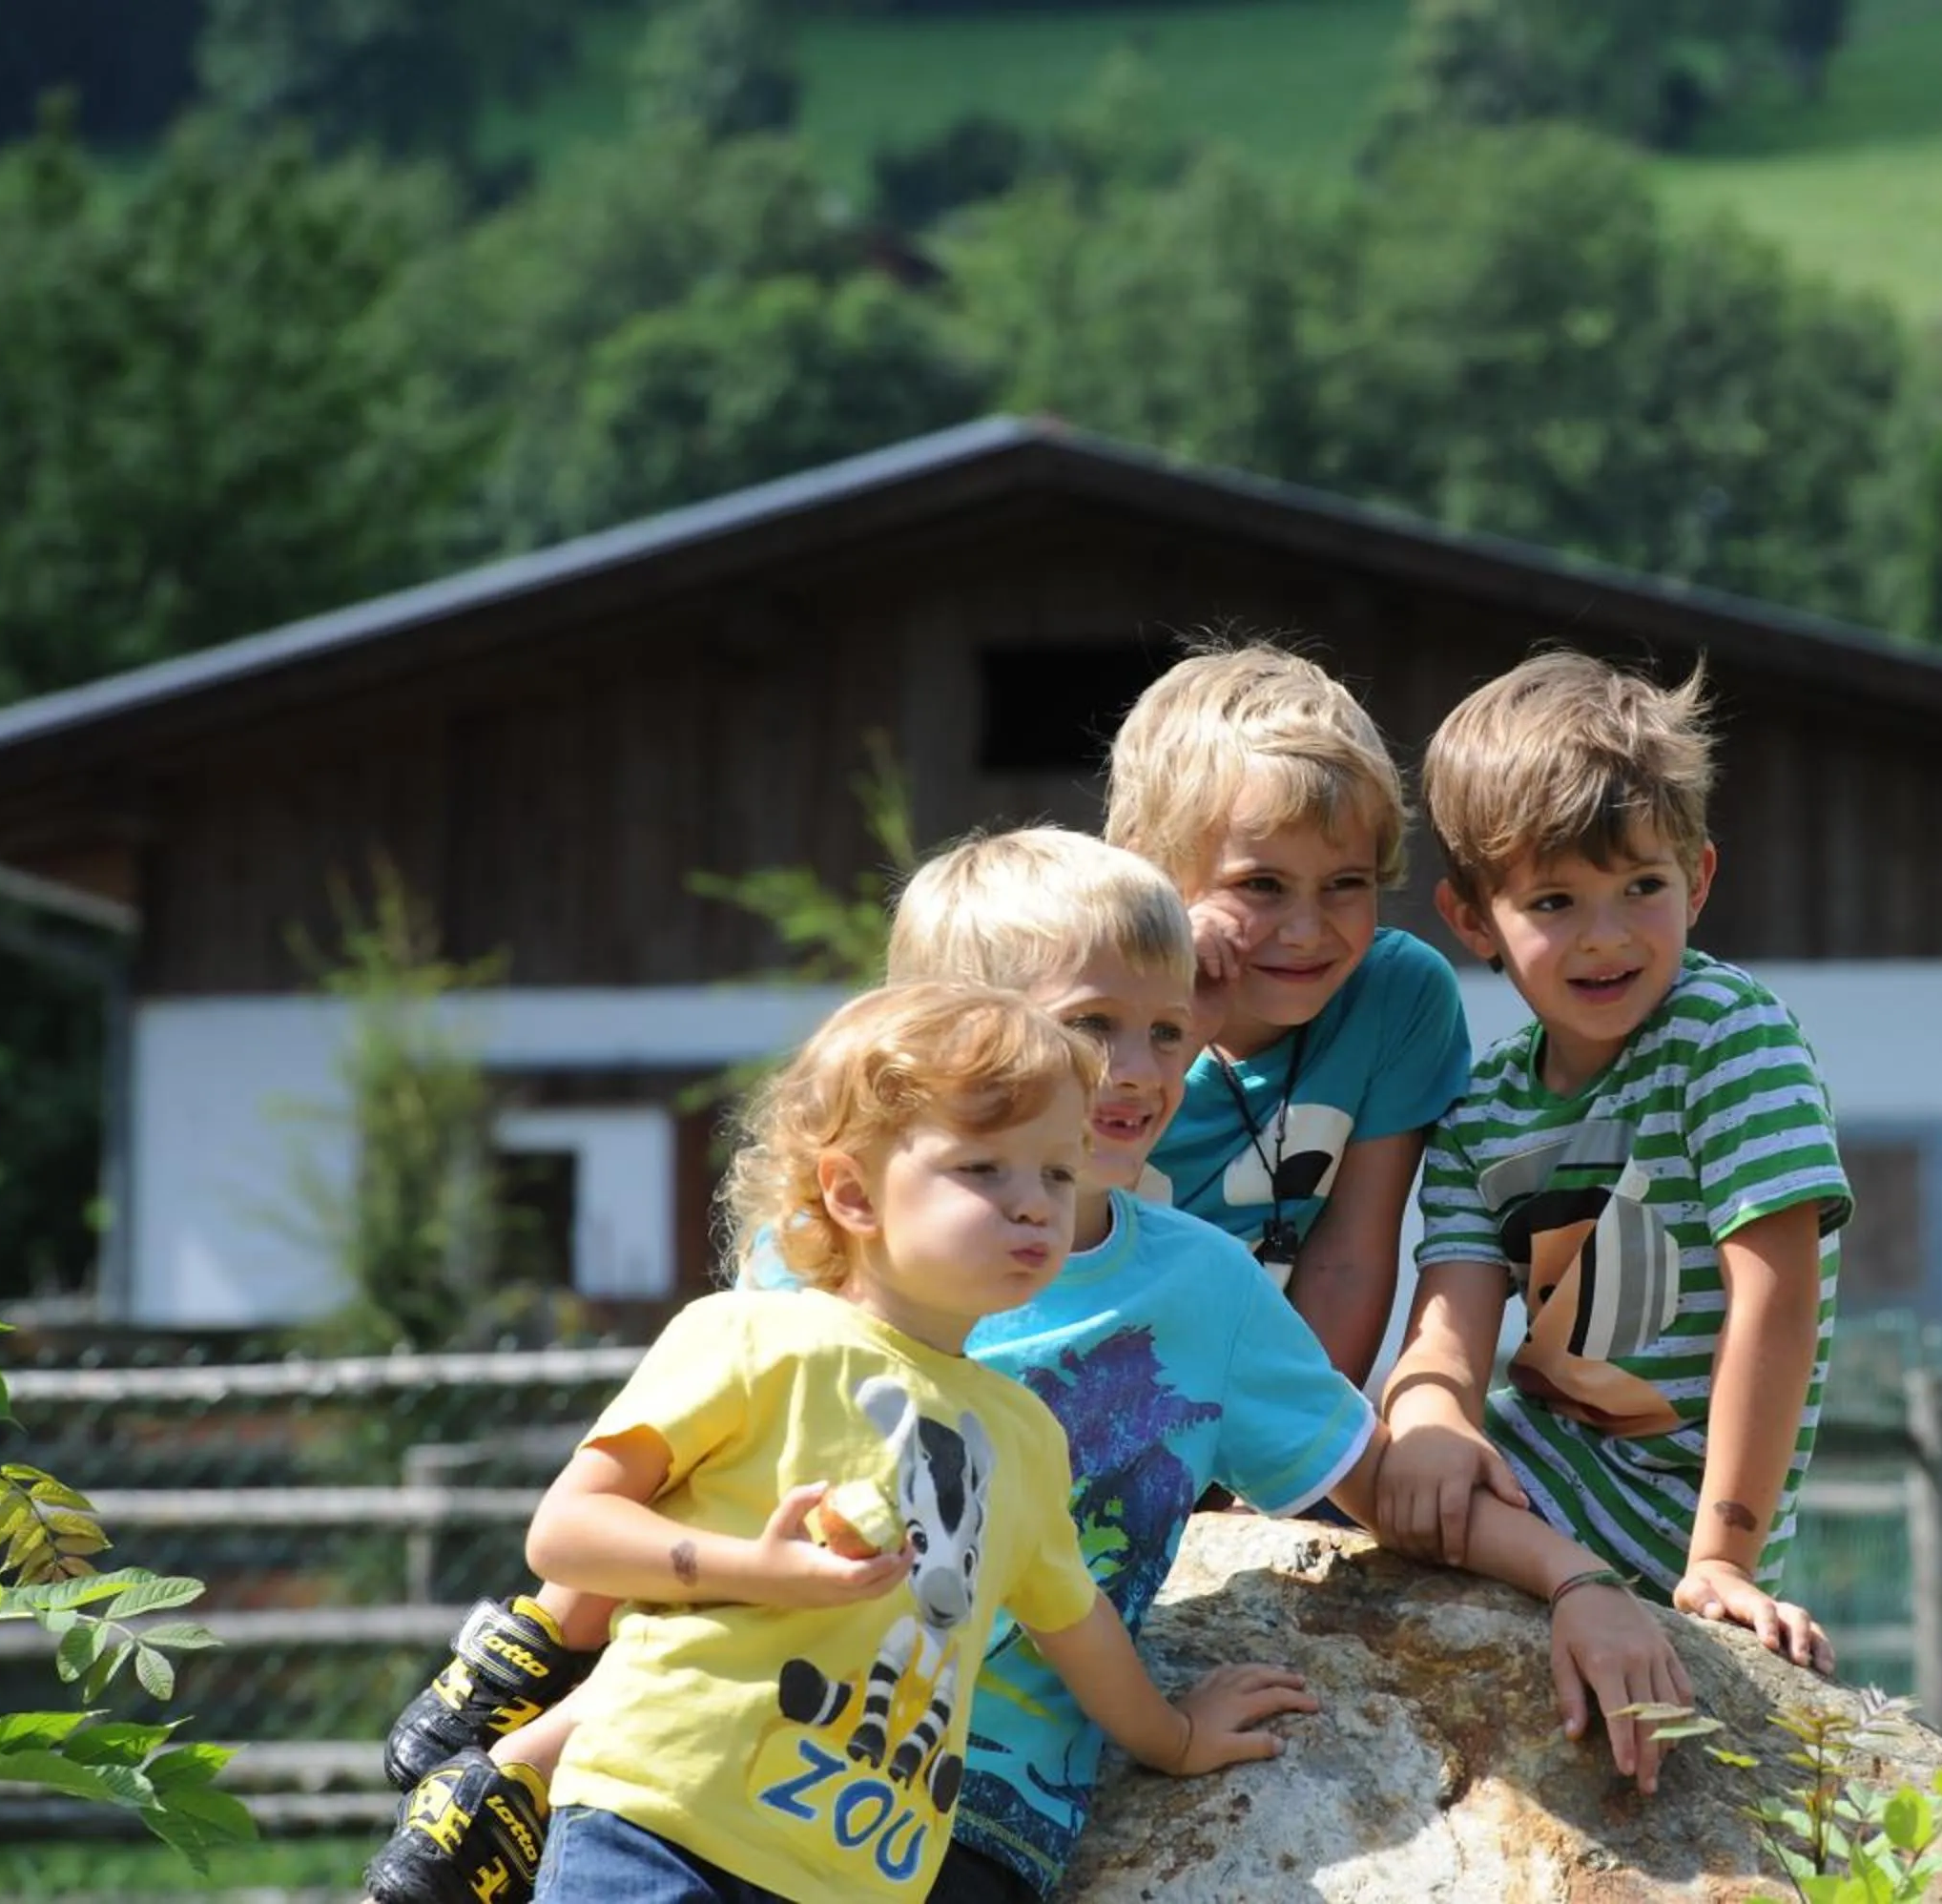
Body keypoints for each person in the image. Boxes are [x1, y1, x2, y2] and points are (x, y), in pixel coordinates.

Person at [369, 829, 1692, 1904]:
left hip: (968, 1813)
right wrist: (556, 1669)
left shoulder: (1204, 1293)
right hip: (723, 1753)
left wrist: (1577, 1581)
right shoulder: (831, 1264)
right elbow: (681, 1482)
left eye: (1169, 1029)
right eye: (1090, 1026)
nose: (1139, 1070)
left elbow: (1387, 1483)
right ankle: (511, 1770)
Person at [365, 983, 1300, 1904]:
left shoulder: (1024, 1437)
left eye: (1058, 1172)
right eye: (984, 1169)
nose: (1034, 1205)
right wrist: (754, 1568)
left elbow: (1079, 1626)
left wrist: (1178, 1739)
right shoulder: (750, 1338)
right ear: (853, 1192)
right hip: (659, 1816)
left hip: (852, 1873)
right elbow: (567, 1534)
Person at [1374, 651, 1849, 1672]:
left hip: (1680, 1510)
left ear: (1698, 879)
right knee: (1343, 1452)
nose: (1606, 937)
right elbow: (1449, 1328)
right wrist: (1429, 1415)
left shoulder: (1730, 1037)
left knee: (1349, 1479)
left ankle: (1581, 1581)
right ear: (1472, 919)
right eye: (1554, 902)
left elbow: (1776, 1299)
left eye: (1642, 886)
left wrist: (1722, 1557)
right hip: (1541, 1472)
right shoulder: (1479, 1109)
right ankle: (1561, 1570)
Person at [1103, 641, 1473, 1389]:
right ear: (1150, 871)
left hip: (1259, 1401)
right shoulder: (1082, 1004)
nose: (1306, 932)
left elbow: (1348, 1261)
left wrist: (1298, 1441)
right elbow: (1058, 1206)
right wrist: (1175, 1026)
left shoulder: (1396, 995)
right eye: (1262, 885)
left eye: (1345, 883)